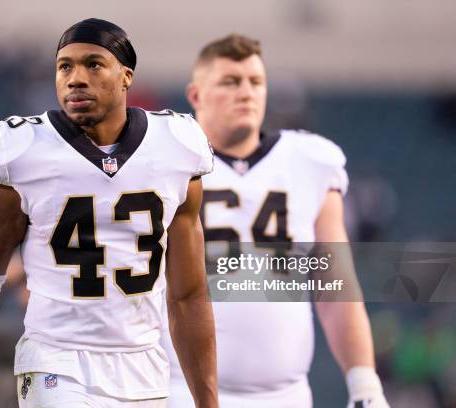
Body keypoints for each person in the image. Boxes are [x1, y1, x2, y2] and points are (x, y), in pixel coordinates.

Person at [0, 18, 218, 408]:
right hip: (54, 359)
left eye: (93, 64)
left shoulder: (176, 147)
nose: (76, 78)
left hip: (144, 367)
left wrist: (209, 402)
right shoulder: (20, 150)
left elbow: (188, 295)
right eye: (65, 66)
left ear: (126, 76)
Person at [164, 34, 390, 407]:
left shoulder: (310, 161)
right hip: (179, 389)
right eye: (230, 82)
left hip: (284, 395)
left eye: (256, 82)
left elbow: (335, 286)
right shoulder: (166, 161)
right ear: (196, 95)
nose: (246, 93)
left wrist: (365, 383)